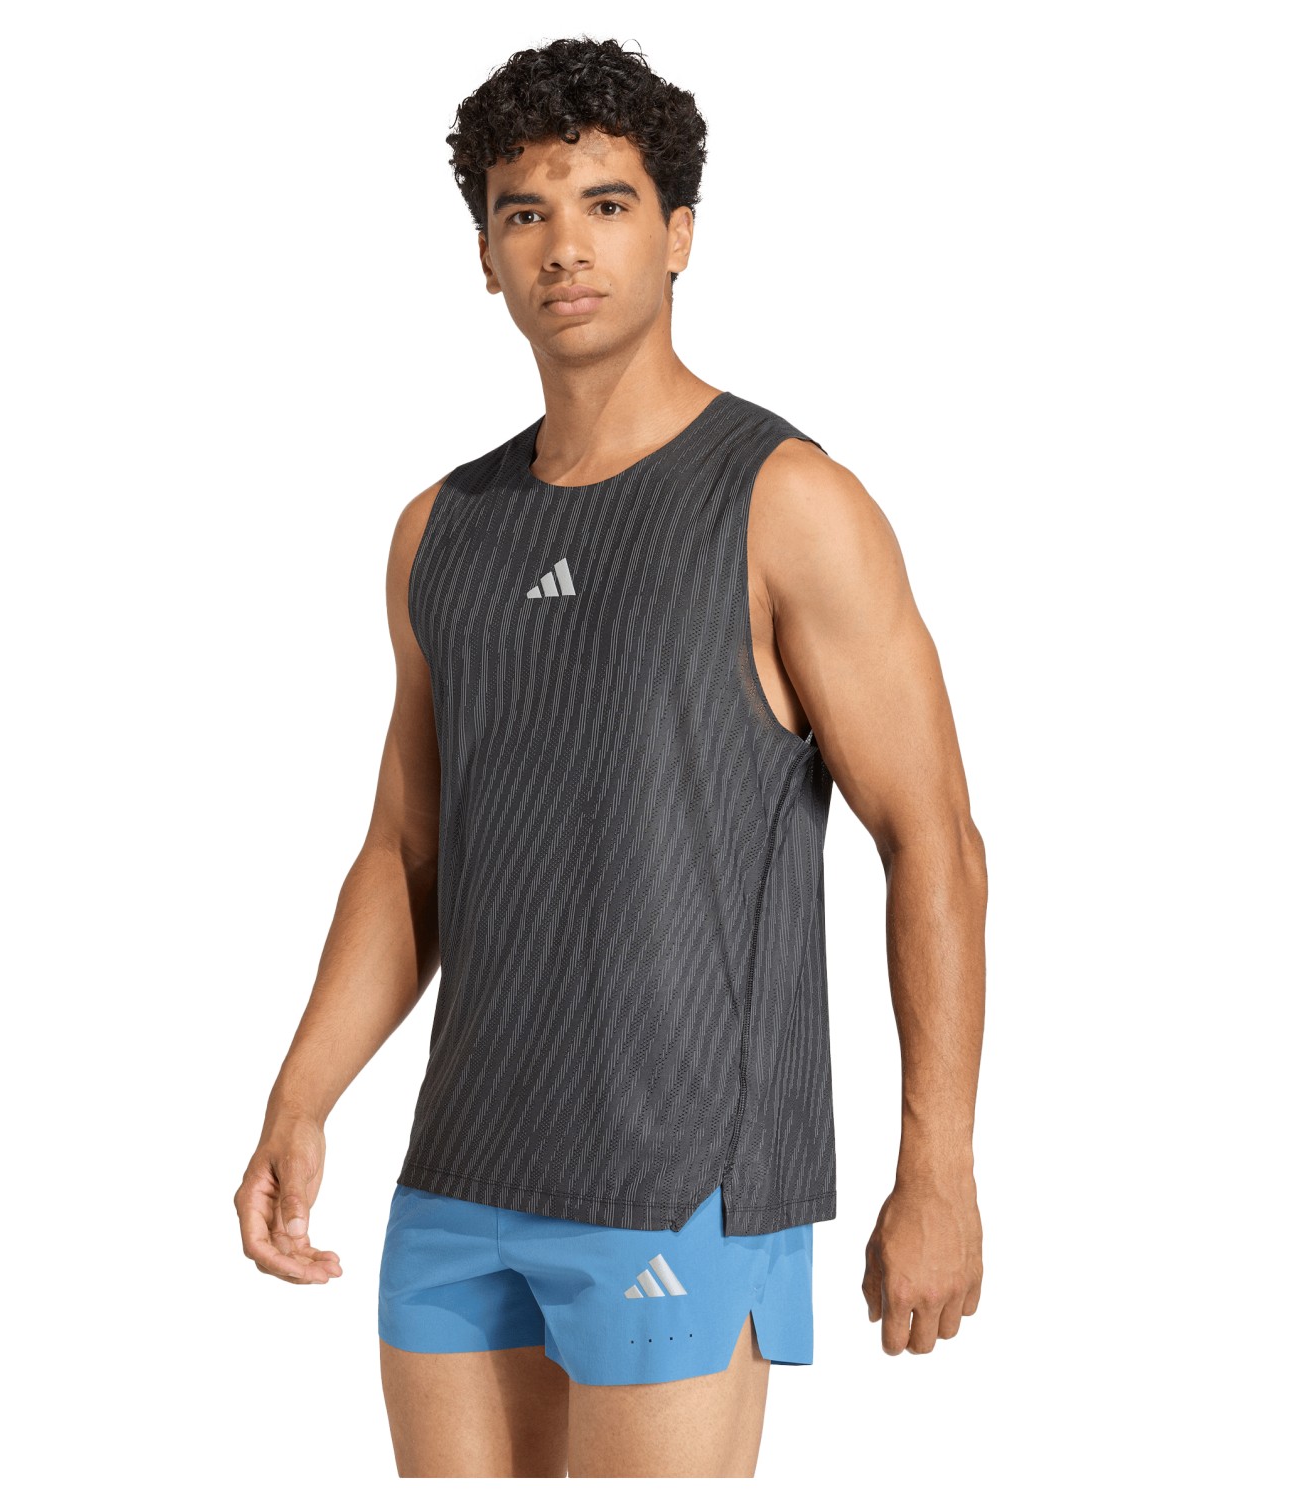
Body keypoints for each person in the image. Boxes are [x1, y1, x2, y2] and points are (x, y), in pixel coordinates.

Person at [234, 35, 987, 1478]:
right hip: (460, 1174)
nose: (564, 246)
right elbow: (409, 852)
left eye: (607, 203)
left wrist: (937, 1168)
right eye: (525, 212)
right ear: (486, 255)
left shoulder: (787, 501)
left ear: (679, 233)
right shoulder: (440, 530)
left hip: (685, 1182)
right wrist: (301, 1095)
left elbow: (934, 840)